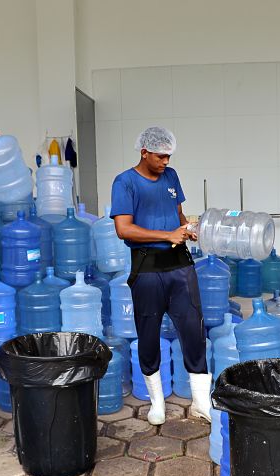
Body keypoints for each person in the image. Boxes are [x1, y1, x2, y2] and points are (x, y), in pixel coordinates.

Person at [110, 126, 211, 426]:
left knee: (194, 330)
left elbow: (178, 215)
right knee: (148, 334)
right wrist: (167, 235)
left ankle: (201, 403)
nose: (166, 162)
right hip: (147, 268)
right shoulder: (125, 182)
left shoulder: (171, 176)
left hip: (180, 265)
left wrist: (188, 229)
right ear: (144, 152)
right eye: (160, 156)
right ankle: (157, 402)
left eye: (169, 156)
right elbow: (123, 229)